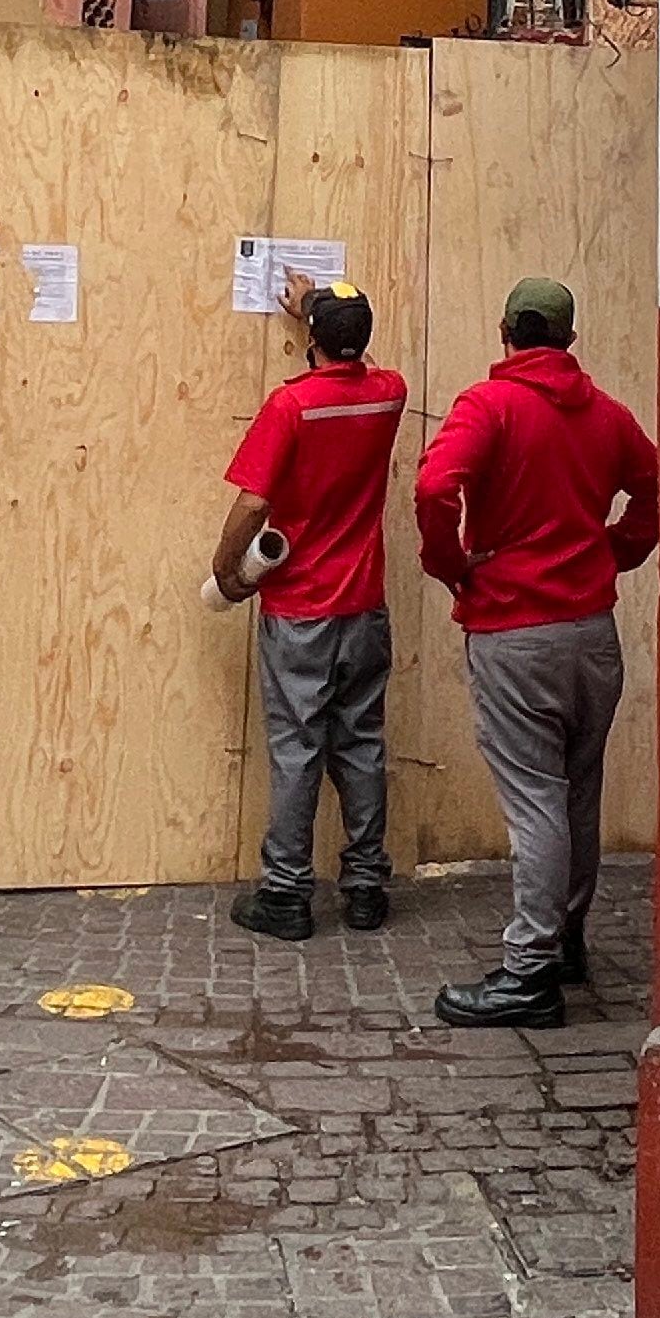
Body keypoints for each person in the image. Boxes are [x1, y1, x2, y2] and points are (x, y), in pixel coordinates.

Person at [414, 275, 659, 1028]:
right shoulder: (608, 417)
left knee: (535, 803)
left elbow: (433, 488)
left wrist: (451, 566)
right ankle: (566, 942)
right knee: (577, 791)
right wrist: (619, 551)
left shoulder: (488, 407)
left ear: (504, 331)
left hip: (515, 632)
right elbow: (655, 486)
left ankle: (528, 974)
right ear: (569, 339)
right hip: (591, 632)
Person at [211, 280, 408, 940]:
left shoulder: (291, 407)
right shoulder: (390, 394)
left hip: (299, 608)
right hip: (364, 605)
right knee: (360, 744)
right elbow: (358, 366)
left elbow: (252, 504)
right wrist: (319, 317)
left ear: (313, 341)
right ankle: (364, 890)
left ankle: (287, 893)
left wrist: (227, 569)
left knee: (297, 749)